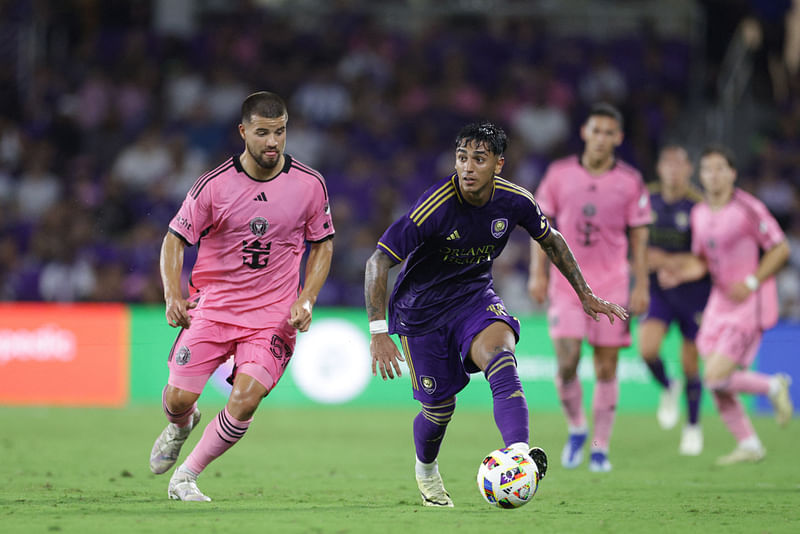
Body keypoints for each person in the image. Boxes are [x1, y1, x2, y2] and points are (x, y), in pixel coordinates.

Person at [365, 121, 628, 507]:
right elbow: (378, 261)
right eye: (461, 158)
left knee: (502, 359)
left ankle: (518, 455)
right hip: (421, 311)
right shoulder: (435, 206)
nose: (467, 168)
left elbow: (551, 239)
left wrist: (585, 294)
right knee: (439, 410)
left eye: (479, 159)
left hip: (474, 298)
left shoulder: (515, 200)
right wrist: (378, 331)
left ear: (498, 164)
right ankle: (426, 471)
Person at [148, 91, 335, 501]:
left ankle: (186, 477)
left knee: (246, 397)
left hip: (273, 314)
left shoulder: (309, 185)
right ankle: (181, 425)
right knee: (179, 398)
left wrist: (307, 297)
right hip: (214, 306)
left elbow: (322, 243)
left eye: (281, 132)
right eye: (264, 133)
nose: (273, 142)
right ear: (243, 132)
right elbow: (175, 239)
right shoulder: (213, 186)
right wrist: (171, 293)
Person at [528, 103, 651, 473]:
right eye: (595, 130)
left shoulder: (630, 181)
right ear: (584, 132)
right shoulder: (558, 174)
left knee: (606, 368)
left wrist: (641, 283)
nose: (601, 138)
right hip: (567, 283)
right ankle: (578, 428)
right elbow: (539, 227)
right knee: (567, 363)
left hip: (612, 282)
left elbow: (640, 237)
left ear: (618, 138)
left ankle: (600, 446)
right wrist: (538, 274)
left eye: (608, 132)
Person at [658, 145, 793, 465]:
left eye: (721, 168)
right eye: (708, 169)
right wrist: (679, 274)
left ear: (733, 173)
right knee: (715, 381)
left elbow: (780, 249)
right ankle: (749, 444)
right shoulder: (699, 213)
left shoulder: (748, 208)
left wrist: (751, 282)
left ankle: (774, 385)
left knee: (715, 377)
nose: (714, 175)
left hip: (749, 300)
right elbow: (704, 261)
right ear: (700, 175)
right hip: (719, 302)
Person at [639, 145, 710, 456]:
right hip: (660, 291)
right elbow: (637, 246)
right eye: (667, 162)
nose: (672, 169)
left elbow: (706, 254)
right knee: (647, 349)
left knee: (690, 361)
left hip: (694, 290)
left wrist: (669, 262)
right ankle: (669, 387)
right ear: (659, 167)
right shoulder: (647, 199)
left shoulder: (699, 205)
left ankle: (693, 426)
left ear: (688, 169)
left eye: (679, 163)